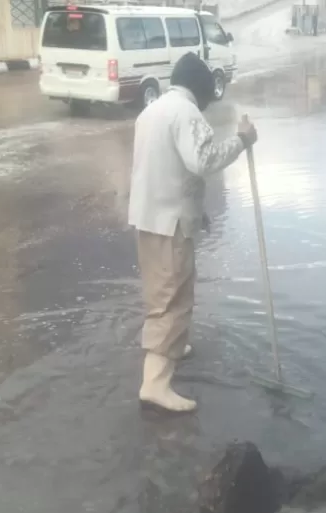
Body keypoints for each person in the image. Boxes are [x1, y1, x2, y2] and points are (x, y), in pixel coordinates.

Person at [128, 53, 258, 413]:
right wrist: (242, 140)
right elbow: (203, 161)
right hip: (169, 224)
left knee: (166, 290)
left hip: (150, 217)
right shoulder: (186, 113)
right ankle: (155, 384)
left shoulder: (151, 111)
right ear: (199, 90)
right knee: (171, 300)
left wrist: (196, 211)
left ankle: (172, 346)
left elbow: (167, 168)